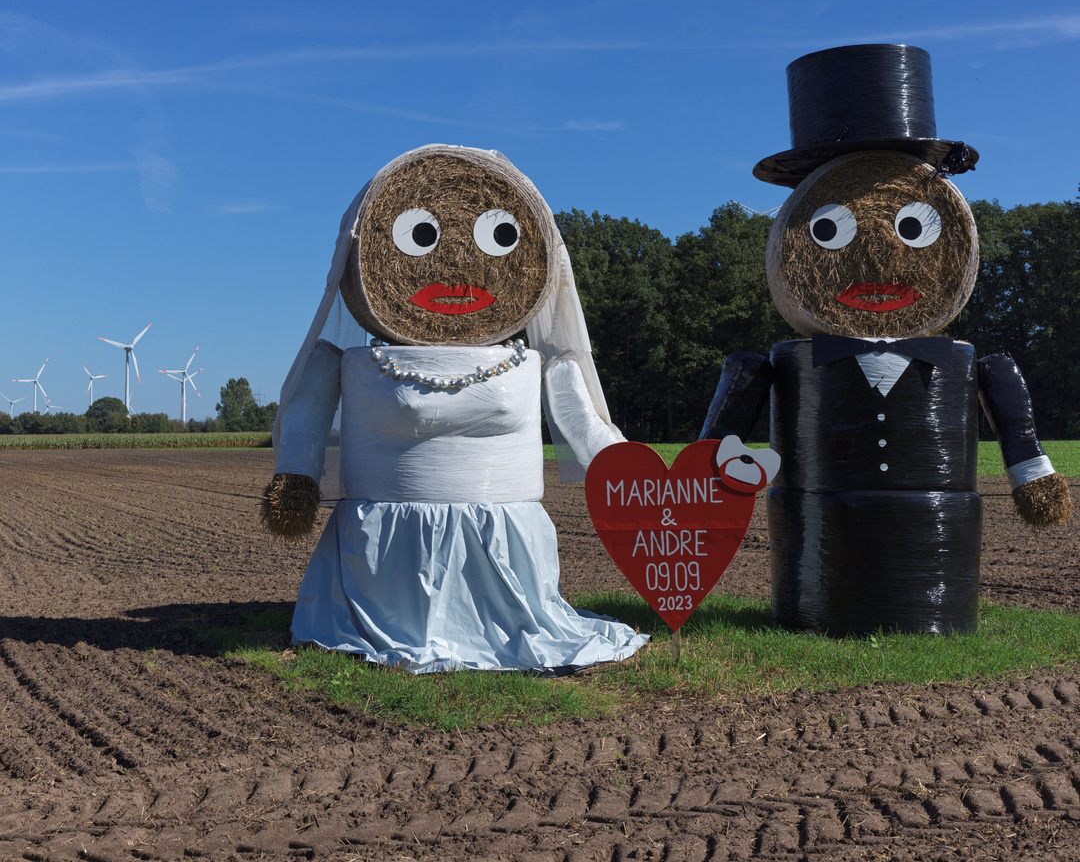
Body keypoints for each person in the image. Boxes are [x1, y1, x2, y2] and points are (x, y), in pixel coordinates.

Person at [701, 44, 1071, 636]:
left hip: (937, 517)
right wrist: (708, 466)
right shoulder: (796, 359)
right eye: (832, 227)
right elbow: (738, 400)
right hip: (820, 512)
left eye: (912, 228)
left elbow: (1006, 404)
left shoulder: (960, 360)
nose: (880, 256)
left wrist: (1031, 471)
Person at [264, 144, 648, 672]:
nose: (457, 264)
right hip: (390, 531)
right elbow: (307, 413)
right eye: (419, 238)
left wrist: (646, 481)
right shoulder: (347, 361)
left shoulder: (538, 362)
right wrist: (295, 478)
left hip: (504, 532)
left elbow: (586, 428)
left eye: (497, 239)